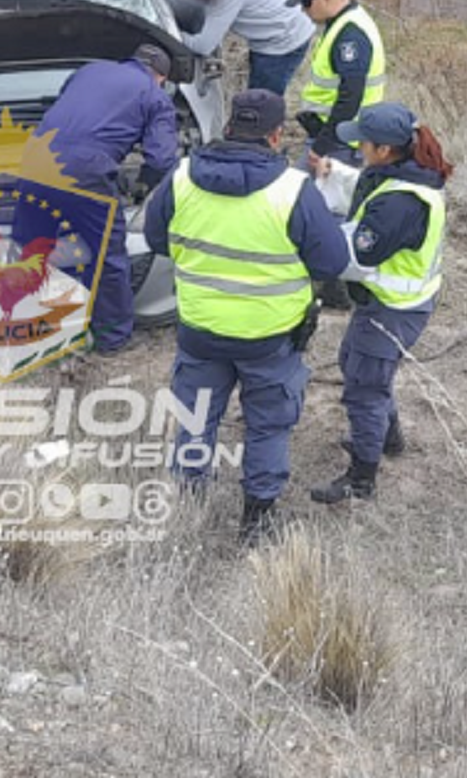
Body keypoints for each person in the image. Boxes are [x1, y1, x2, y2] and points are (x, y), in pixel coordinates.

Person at [142, 89, 350, 545]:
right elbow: (332, 264)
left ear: (229, 127)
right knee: (268, 425)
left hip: (199, 331)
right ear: (277, 136)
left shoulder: (180, 179)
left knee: (196, 419)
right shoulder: (294, 191)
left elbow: (156, 238)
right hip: (270, 337)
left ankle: (187, 509)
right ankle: (256, 519)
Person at [309, 101, 452, 505]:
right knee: (354, 364)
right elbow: (370, 188)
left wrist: (313, 229)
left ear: (384, 150)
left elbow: (357, 254)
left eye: (363, 144)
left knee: (364, 389)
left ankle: (362, 479)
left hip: (393, 307)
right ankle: (388, 438)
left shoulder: (402, 204)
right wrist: (333, 174)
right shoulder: (403, 176)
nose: (358, 150)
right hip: (391, 304)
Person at [35, 43, 179, 355]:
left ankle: (46, 331)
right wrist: (143, 186)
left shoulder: (88, 70)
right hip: (85, 172)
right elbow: (161, 159)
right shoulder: (155, 96)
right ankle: (111, 339)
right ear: (161, 78)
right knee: (106, 256)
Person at [165, 0, 316, 94]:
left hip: (285, 40)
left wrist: (162, 29)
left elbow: (203, 45)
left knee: (260, 105)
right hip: (279, 25)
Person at [288, 0, 386, 163]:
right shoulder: (342, 22)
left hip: (339, 143)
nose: (303, 10)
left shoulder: (349, 35)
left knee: (304, 193)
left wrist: (323, 145)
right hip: (335, 137)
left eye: (306, 3)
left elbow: (351, 96)